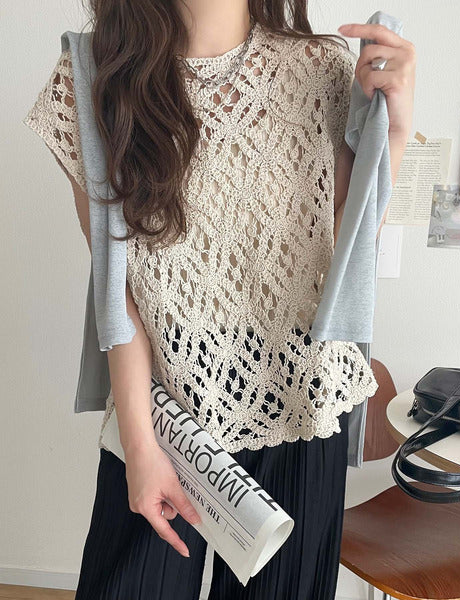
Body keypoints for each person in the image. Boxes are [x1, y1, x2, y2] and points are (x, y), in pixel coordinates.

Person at [23, 1, 415, 598]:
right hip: (167, 399)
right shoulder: (95, 78)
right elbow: (117, 291)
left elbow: (339, 258)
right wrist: (139, 445)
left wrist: (395, 134)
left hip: (301, 389)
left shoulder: (323, 72)